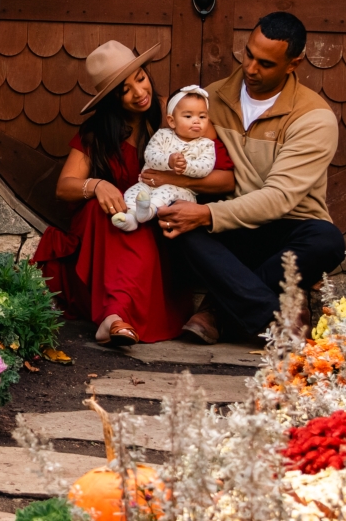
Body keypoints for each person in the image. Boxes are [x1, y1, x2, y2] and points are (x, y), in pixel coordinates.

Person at [156, 11, 346, 345]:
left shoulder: (313, 117)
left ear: (294, 63)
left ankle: (216, 310)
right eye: (248, 54)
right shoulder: (208, 100)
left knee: (327, 241)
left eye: (266, 63)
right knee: (173, 223)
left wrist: (208, 214)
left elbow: (278, 198)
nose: (250, 68)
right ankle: (275, 319)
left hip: (286, 228)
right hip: (227, 232)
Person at [35, 41, 235, 347]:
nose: (139, 93)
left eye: (140, 78)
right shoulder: (98, 132)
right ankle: (114, 319)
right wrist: (98, 185)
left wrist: (167, 178)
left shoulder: (179, 112)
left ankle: (115, 317)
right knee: (102, 211)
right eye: (124, 90)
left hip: (157, 225)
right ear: (112, 99)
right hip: (104, 233)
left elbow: (224, 180)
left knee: (140, 227)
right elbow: (65, 187)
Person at [112, 86, 227, 232]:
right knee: (135, 192)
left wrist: (187, 166)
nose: (196, 121)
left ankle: (148, 212)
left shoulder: (206, 145)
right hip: (149, 183)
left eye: (202, 117)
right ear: (172, 121)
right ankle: (132, 217)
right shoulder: (162, 135)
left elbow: (206, 166)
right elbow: (150, 155)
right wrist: (169, 161)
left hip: (181, 191)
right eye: (188, 116)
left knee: (165, 192)